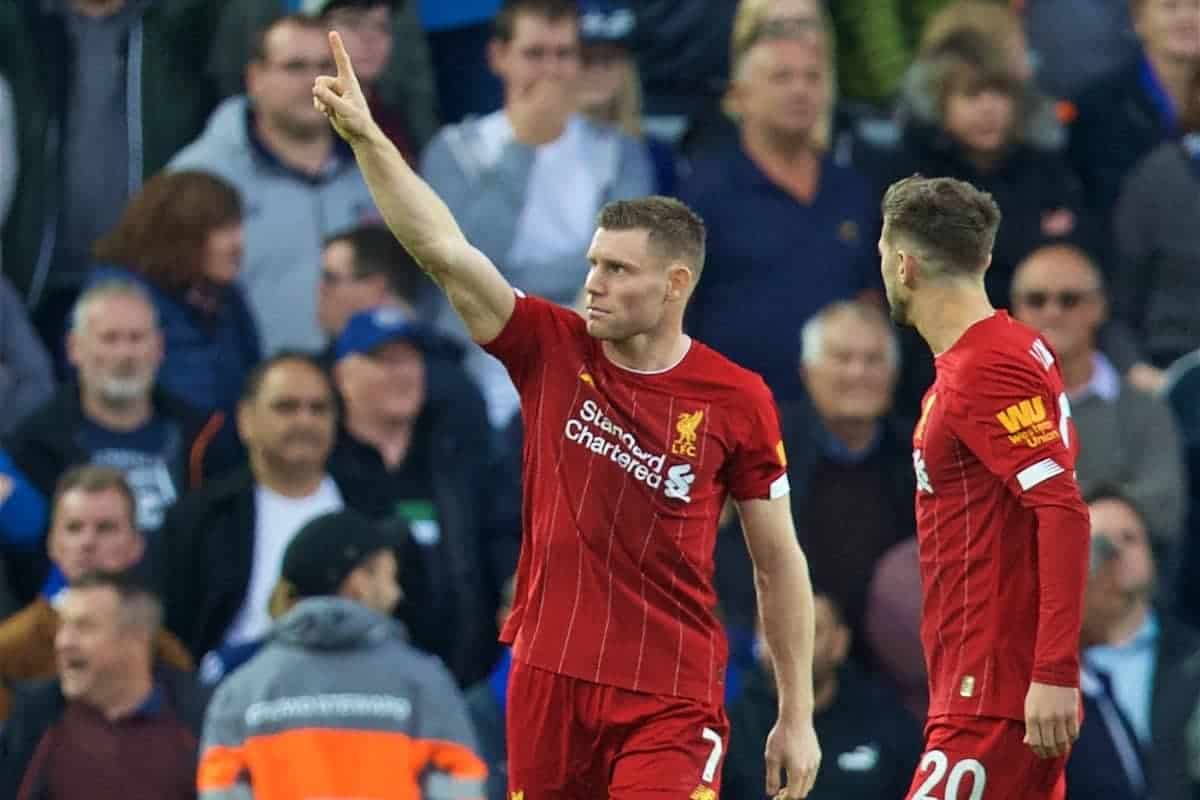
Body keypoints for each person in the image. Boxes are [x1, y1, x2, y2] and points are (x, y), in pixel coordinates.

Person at [313, 30, 822, 800]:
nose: (593, 283)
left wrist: (797, 711)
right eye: (591, 263)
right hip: (548, 676)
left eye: (617, 269)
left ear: (675, 282)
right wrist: (369, 138)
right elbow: (444, 250)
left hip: (671, 694)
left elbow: (777, 562)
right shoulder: (552, 349)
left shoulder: (737, 399)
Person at [878, 175, 1090, 799]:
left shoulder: (984, 369)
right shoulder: (1017, 348)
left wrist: (1053, 671)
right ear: (986, 258)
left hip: (990, 694)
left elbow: (1061, 510)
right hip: (983, 688)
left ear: (904, 264)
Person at [196, 509, 486, 798]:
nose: (397, 593)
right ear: (358, 582)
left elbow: (221, 790)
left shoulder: (242, 692)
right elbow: (460, 788)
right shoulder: (424, 684)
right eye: (390, 577)